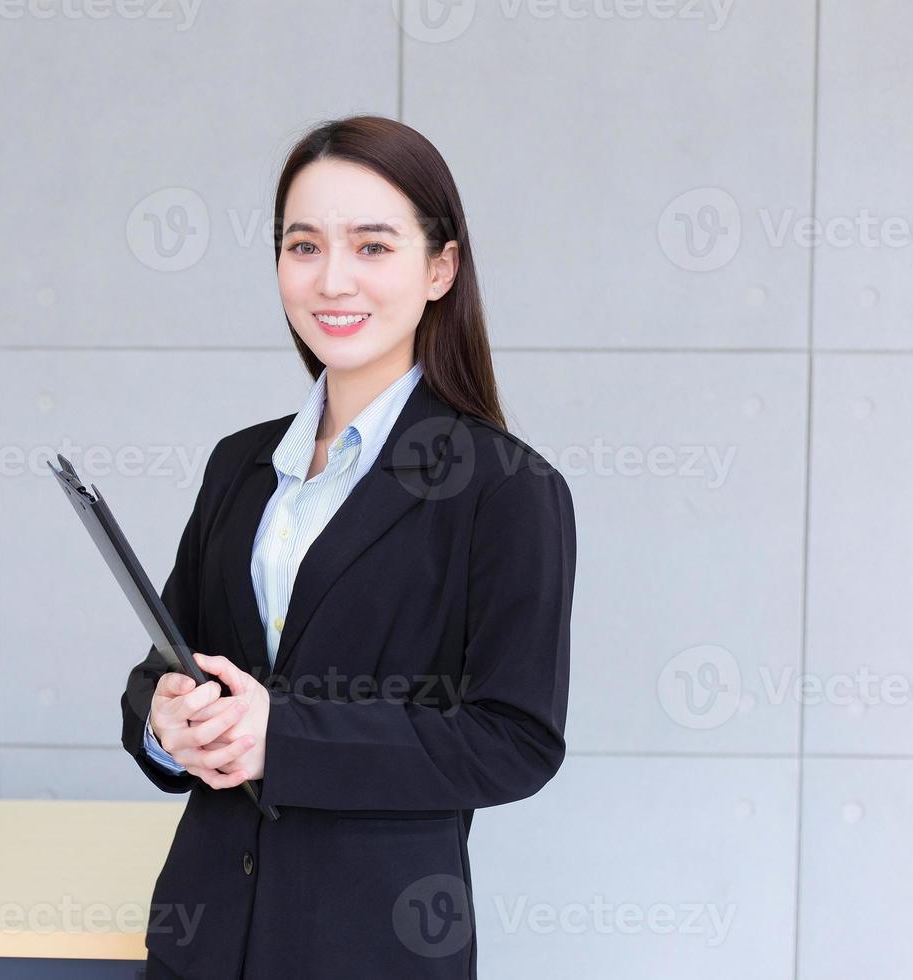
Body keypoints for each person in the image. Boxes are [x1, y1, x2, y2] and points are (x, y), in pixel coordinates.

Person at [120, 114, 577, 980]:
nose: (333, 278)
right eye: (303, 246)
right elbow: (165, 661)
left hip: (373, 948)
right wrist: (163, 720)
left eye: (373, 247)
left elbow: (515, 739)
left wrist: (281, 738)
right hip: (201, 940)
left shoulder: (506, 489)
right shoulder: (240, 465)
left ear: (440, 268)